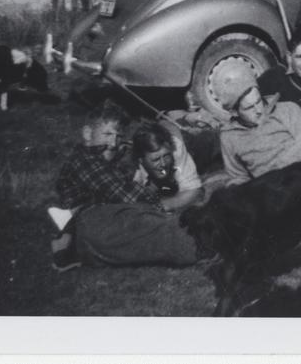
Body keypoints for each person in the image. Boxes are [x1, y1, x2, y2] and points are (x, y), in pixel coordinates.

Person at [50, 103, 202, 271]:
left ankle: (202, 239)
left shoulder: (107, 156)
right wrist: (158, 203)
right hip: (92, 220)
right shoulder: (85, 161)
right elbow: (127, 195)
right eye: (107, 134)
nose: (113, 143)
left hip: (109, 217)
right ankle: (204, 246)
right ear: (87, 134)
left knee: (151, 226)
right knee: (154, 229)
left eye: (118, 136)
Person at [212, 59, 301, 185]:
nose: (258, 110)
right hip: (274, 191)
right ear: (234, 112)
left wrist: (278, 167)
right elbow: (238, 176)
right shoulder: (229, 137)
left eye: (258, 101)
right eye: (249, 107)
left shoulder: (287, 109)